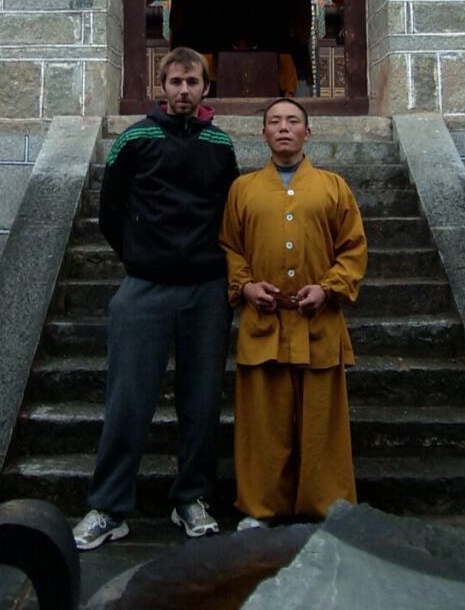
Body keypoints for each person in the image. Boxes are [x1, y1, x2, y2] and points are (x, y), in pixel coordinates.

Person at [73, 47, 239, 551]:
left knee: (202, 401)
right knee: (128, 400)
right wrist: (141, 257)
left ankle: (191, 497)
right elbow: (111, 210)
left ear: (206, 88)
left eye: (193, 82)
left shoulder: (219, 144)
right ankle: (108, 505)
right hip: (145, 288)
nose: (184, 91)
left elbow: (230, 213)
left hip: (207, 290)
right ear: (161, 88)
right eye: (175, 82)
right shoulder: (136, 139)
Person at [219, 98, 367, 529]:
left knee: (323, 424)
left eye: (293, 121)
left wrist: (328, 289)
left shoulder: (334, 187)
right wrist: (245, 285)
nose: (284, 128)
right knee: (261, 424)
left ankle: (326, 506)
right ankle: (260, 507)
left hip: (318, 322)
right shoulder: (242, 189)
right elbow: (229, 246)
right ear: (263, 133)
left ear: (308, 132)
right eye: (274, 122)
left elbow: (353, 249)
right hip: (263, 322)